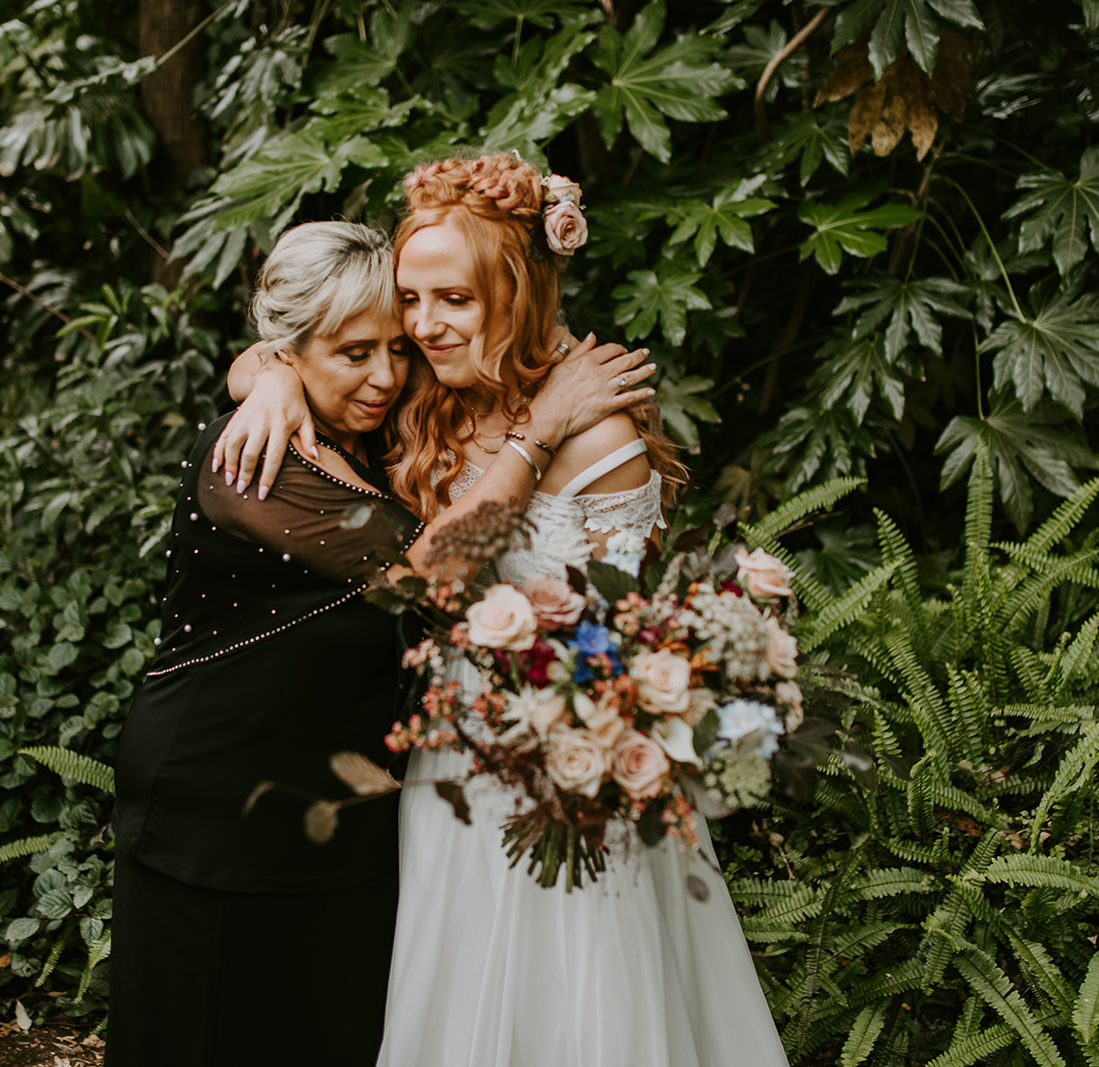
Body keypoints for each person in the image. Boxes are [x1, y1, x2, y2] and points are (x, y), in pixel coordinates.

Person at [218, 155, 790, 1067]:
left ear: (515, 290)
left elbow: (625, 633)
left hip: (566, 763)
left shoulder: (599, 432)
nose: (422, 326)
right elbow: (284, 351)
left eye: (455, 300)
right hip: (447, 754)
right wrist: (275, 380)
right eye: (411, 299)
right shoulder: (425, 391)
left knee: (579, 1002)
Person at [110, 219, 657, 1067]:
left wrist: (268, 372)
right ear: (292, 349)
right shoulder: (256, 460)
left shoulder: (364, 422)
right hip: (219, 801)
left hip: (349, 808)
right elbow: (432, 577)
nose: (386, 375)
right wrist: (540, 431)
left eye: (395, 349)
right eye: (353, 353)